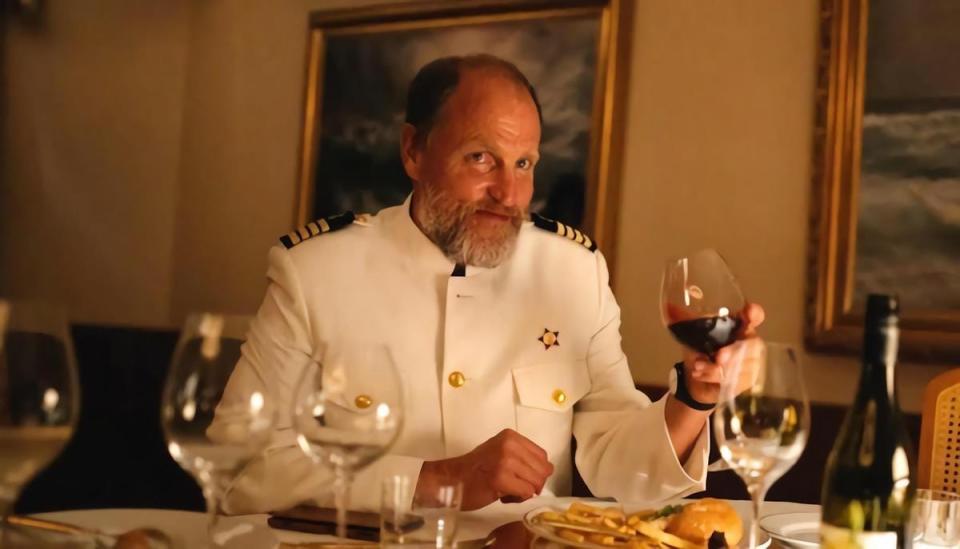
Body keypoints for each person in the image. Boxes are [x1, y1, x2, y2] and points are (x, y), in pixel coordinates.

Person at [221, 54, 763, 514]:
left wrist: (694, 398)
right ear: (413, 151)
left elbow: (618, 461)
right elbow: (235, 465)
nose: (509, 191)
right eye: (481, 158)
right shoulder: (315, 271)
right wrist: (434, 480)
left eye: (524, 163)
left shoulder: (574, 271)